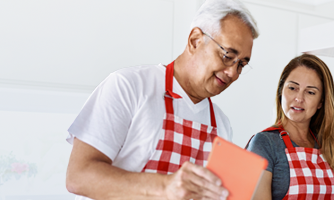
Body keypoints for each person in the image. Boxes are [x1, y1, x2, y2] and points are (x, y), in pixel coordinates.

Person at [65, 0, 259, 199]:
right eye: (227, 56)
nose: (233, 73)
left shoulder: (221, 124)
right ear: (195, 40)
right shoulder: (129, 86)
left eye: (241, 64)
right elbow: (79, 176)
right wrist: (165, 187)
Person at [246, 54, 334, 199]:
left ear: (321, 102)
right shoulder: (264, 143)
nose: (299, 98)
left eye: (310, 92)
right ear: (281, 91)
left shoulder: (325, 145)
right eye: (292, 88)